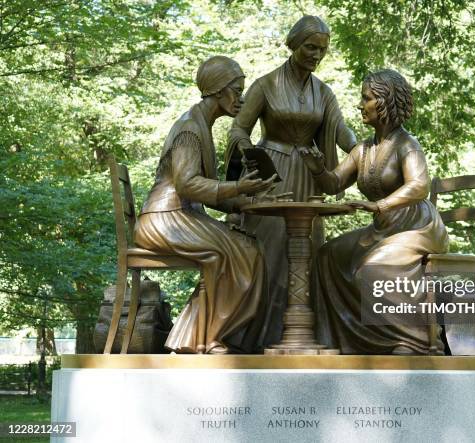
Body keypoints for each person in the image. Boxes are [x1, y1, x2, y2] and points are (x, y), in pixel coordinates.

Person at [226, 15, 356, 346]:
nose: (316, 55)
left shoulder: (324, 93)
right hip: (271, 174)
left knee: (305, 252)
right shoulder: (266, 85)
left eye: (322, 50)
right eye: (310, 47)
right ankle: (251, 337)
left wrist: (361, 149)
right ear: (294, 45)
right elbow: (239, 127)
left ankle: (298, 334)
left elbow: (340, 129)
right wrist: (245, 148)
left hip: (308, 175)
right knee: (267, 252)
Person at [299, 69, 449, 354]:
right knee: (326, 256)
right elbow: (334, 183)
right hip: (383, 229)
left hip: (416, 227)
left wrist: (379, 205)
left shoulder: (407, 144)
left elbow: (420, 186)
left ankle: (414, 341)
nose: (360, 105)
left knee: (373, 269)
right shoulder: (363, 149)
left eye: (365, 98)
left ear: (384, 102)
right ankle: (345, 340)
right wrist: (317, 167)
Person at [134, 56, 275, 354]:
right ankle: (208, 338)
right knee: (237, 252)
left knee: (248, 247)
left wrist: (248, 201)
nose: (241, 98)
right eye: (237, 90)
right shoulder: (190, 129)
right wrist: (238, 187)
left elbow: (206, 191)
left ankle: (197, 337)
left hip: (181, 216)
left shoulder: (202, 124)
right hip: (164, 219)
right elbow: (188, 185)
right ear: (217, 90)